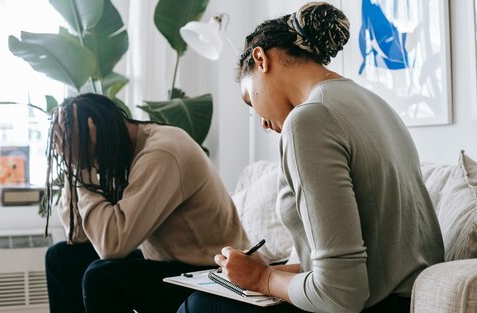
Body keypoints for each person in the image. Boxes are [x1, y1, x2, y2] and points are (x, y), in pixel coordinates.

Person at [178, 2, 444, 313]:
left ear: (260, 59)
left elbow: (340, 293)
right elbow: (368, 255)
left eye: (250, 100)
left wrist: (263, 278)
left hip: (376, 306)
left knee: (199, 306)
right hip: (408, 297)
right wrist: (266, 272)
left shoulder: (309, 119)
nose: (261, 121)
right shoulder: (375, 104)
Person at [43, 93, 250, 313]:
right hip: (170, 264)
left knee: (102, 277)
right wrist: (72, 166)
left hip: (213, 274)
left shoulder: (162, 152)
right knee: (61, 258)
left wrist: (83, 167)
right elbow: (77, 236)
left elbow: (111, 246)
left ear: (100, 131)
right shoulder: (117, 154)